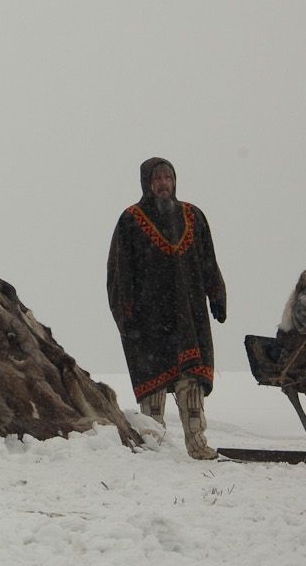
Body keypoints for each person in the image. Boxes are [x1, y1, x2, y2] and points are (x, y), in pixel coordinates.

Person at [106, 157, 226, 459]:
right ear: (147, 182)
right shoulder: (131, 220)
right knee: (154, 385)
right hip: (149, 319)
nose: (163, 183)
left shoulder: (193, 216)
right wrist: (126, 314)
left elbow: (209, 259)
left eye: (168, 178)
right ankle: (153, 444)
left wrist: (217, 294)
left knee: (191, 382)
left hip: (190, 314)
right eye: (157, 178)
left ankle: (197, 443)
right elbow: (119, 272)